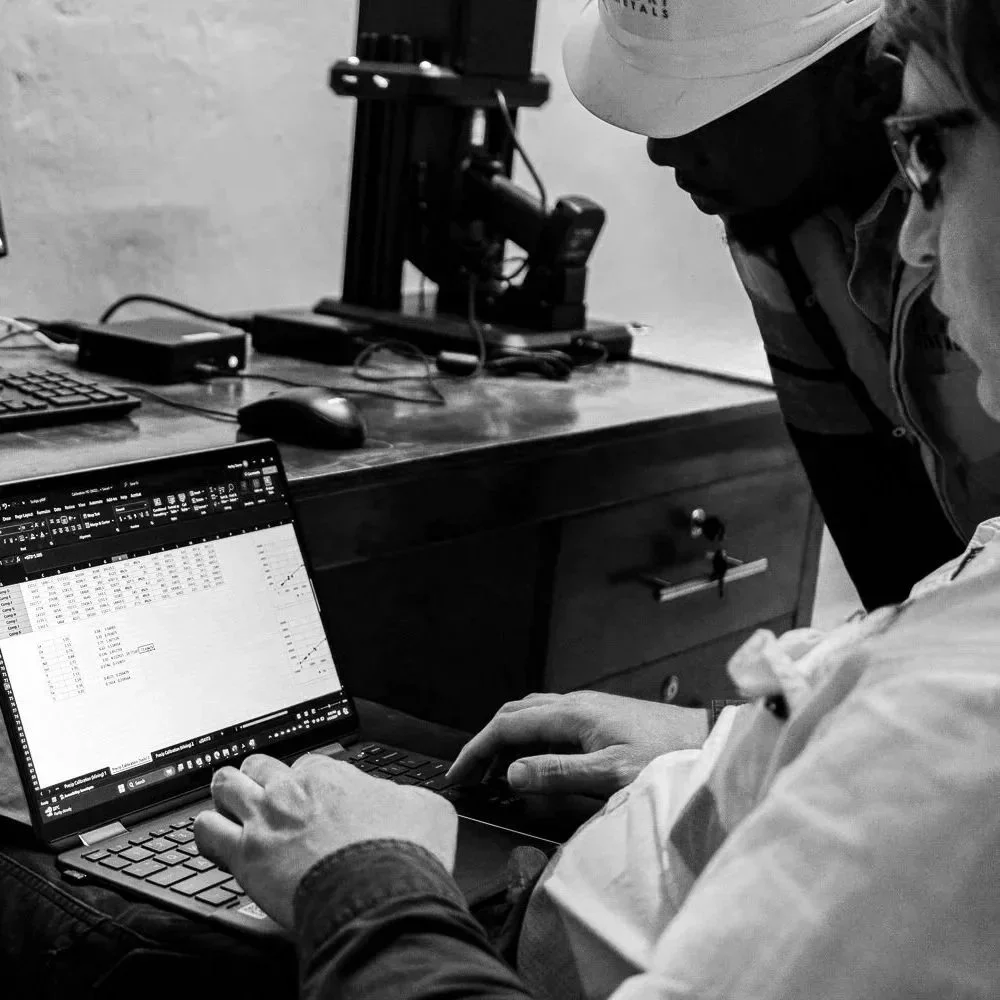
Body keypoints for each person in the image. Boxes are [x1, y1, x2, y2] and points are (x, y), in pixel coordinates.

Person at [190, 1, 1000, 996]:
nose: (661, 149)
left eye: (927, 150)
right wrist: (735, 740)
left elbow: (923, 706)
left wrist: (366, 884)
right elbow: (905, 615)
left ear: (859, 81)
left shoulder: (955, 729)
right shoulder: (788, 242)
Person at [569, 0, 1000, 612]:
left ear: (870, 81)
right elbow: (869, 505)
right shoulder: (776, 222)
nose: (660, 152)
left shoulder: (982, 230)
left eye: (709, 106)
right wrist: (849, 694)